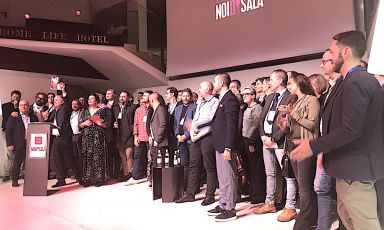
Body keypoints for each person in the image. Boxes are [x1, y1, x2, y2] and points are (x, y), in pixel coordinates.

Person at [290, 30, 384, 229]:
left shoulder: (358, 80)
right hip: (347, 168)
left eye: (332, 52)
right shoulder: (346, 81)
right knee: (349, 219)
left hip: (355, 171)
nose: (330, 57)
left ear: (346, 52)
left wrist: (315, 145)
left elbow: (351, 129)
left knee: (364, 224)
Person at [253, 69, 297, 223]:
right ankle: (270, 203)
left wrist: (274, 138)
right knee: (270, 174)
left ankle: (290, 206)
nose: (269, 83)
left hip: (280, 142)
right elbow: (261, 119)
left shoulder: (291, 96)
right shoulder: (270, 97)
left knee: (288, 175)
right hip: (266, 141)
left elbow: (288, 121)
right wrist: (263, 136)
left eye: (271, 80)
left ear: (279, 81)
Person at [278, 73, 320, 229]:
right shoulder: (294, 102)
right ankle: (311, 219)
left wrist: (292, 113)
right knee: (302, 184)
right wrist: (283, 124)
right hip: (292, 144)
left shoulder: (312, 100)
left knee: (304, 186)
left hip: (306, 145)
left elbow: (311, 124)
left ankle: (304, 221)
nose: (289, 86)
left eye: (291, 83)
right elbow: (291, 127)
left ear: (299, 84)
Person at [175, 81, 219, 206]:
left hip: (207, 137)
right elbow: (195, 119)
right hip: (196, 137)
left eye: (200, 87)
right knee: (193, 165)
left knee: (209, 167)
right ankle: (190, 194)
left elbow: (211, 120)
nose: (198, 90)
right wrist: (193, 133)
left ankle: (210, 195)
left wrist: (197, 131)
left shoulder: (215, 101)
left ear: (208, 89)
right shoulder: (200, 102)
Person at [207, 73, 239, 222]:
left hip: (226, 146)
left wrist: (228, 147)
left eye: (215, 82)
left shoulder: (230, 99)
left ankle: (230, 209)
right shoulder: (223, 98)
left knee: (229, 177)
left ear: (221, 83)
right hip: (219, 144)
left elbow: (232, 126)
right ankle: (223, 203)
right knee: (222, 177)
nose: (214, 84)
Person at [48, 85, 80, 188]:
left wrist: (63, 91)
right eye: (55, 99)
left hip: (65, 137)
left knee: (69, 159)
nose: (55, 101)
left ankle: (79, 177)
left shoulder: (65, 108)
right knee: (57, 159)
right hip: (56, 138)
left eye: (58, 99)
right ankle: (60, 179)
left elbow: (67, 100)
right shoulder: (53, 111)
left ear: (62, 102)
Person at [241, 87, 266, 204]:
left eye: (247, 94)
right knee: (249, 168)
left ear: (253, 96)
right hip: (245, 140)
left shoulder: (257, 108)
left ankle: (259, 195)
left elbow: (256, 126)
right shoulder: (246, 108)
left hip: (253, 141)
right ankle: (252, 192)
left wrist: (251, 141)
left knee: (256, 169)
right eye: (243, 94)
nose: (244, 96)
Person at [5, 100, 38, 187]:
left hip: (31, 143)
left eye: (25, 105)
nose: (23, 107)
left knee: (31, 162)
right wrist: (9, 144)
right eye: (21, 105)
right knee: (17, 162)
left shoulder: (34, 117)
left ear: (28, 107)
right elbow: (8, 131)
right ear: (18, 107)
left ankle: (31, 178)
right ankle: (14, 180)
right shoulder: (13, 117)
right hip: (18, 143)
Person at [79, 94, 109, 187]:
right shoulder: (84, 112)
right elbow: (80, 125)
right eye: (88, 98)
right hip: (86, 136)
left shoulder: (103, 111)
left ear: (97, 100)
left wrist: (99, 122)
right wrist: (84, 124)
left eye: (92, 98)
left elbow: (107, 124)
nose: (89, 100)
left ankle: (98, 179)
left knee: (97, 156)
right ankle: (87, 178)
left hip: (97, 135)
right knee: (87, 156)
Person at [173, 88, 196, 189]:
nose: (185, 98)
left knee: (192, 163)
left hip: (190, 139)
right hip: (180, 139)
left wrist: (186, 135)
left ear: (190, 97)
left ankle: (193, 185)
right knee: (183, 162)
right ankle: (185, 185)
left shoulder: (194, 107)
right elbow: (175, 124)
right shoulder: (178, 108)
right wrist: (177, 134)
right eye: (183, 96)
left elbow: (193, 123)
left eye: (187, 96)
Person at [113, 91, 136, 182]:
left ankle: (131, 173)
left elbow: (135, 122)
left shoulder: (133, 107)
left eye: (124, 96)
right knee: (122, 157)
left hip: (129, 135)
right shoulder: (116, 108)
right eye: (120, 96)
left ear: (128, 98)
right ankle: (125, 173)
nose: (121, 98)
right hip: (119, 136)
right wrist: (113, 125)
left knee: (129, 155)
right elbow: (112, 120)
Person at [1, 90, 21, 182]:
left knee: (20, 153)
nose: (15, 98)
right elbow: (7, 116)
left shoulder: (21, 106)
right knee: (8, 153)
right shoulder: (5, 106)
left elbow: (20, 116)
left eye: (17, 97)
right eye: (14, 96)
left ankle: (20, 173)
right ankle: (6, 174)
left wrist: (17, 107)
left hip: (18, 133)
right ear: (11, 97)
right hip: (7, 131)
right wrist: (14, 109)